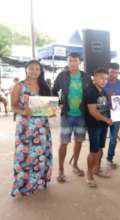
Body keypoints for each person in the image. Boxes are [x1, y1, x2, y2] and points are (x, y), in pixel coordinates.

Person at [10, 60, 52, 197]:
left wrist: (53, 109)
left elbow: (48, 107)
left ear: (40, 71)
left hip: (42, 126)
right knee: (26, 155)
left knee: (40, 155)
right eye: (31, 69)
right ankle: (23, 185)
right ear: (26, 70)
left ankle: (39, 181)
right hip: (25, 127)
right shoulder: (19, 86)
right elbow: (13, 106)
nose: (34, 71)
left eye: (37, 69)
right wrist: (23, 111)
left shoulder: (43, 86)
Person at [52, 52, 92, 183]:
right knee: (63, 142)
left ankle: (75, 165)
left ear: (79, 62)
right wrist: (59, 103)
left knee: (79, 141)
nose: (72, 63)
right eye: (70, 61)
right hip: (67, 115)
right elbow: (54, 90)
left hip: (81, 115)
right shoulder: (62, 75)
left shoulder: (86, 77)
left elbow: (90, 93)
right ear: (67, 62)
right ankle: (61, 170)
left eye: (75, 61)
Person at [84, 69, 112, 187]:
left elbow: (104, 107)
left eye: (106, 79)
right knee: (94, 151)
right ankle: (89, 174)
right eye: (101, 78)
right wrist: (106, 120)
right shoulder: (91, 91)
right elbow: (93, 112)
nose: (104, 81)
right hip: (94, 125)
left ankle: (97, 169)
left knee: (100, 148)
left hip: (102, 125)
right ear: (94, 78)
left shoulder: (103, 91)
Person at [104, 63, 120, 168]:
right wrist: (107, 98)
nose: (114, 75)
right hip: (103, 113)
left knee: (113, 138)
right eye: (111, 72)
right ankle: (97, 159)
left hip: (117, 114)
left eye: (116, 72)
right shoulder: (102, 83)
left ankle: (110, 159)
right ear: (108, 72)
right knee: (101, 137)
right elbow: (96, 101)